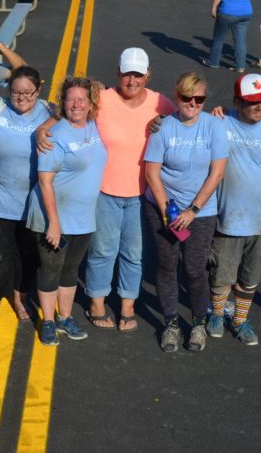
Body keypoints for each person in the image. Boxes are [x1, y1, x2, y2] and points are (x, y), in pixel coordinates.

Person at [38, 48, 176, 332]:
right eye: (127, 74)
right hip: (105, 193)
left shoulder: (160, 102)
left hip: (141, 194)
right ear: (118, 72)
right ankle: (97, 303)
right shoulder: (103, 98)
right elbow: (72, 110)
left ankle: (127, 305)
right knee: (103, 251)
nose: (132, 80)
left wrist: (221, 114)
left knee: (133, 253)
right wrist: (45, 126)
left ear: (148, 75)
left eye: (138, 74)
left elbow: (187, 119)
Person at [144, 71, 228, 353]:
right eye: (187, 97)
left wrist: (192, 210)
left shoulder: (214, 127)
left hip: (200, 212)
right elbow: (152, 172)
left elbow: (217, 173)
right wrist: (168, 210)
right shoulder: (164, 127)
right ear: (176, 96)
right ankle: (170, 323)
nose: (193, 103)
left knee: (194, 269)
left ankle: (199, 323)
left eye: (200, 98)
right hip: (164, 208)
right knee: (167, 266)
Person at [207, 73, 261, 346]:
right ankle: (217, 315)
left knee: (250, 278)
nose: (260, 106)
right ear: (236, 101)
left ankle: (240, 321)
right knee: (221, 275)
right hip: (228, 220)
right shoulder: (220, 123)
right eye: (252, 101)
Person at [26, 77, 107, 346]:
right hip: (55, 217)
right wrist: (53, 223)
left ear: (90, 103)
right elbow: (45, 181)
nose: (75, 104)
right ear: (62, 102)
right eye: (70, 99)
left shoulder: (93, 125)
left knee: (70, 270)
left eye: (81, 99)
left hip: (83, 218)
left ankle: (65, 317)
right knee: (51, 270)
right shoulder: (54, 136)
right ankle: (48, 321)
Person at [0, 66, 52, 333]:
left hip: (32, 205)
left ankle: (20, 298)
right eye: (16, 91)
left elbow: (83, 113)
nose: (21, 97)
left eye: (28, 92)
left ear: (38, 91)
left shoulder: (50, 112)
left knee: (25, 258)